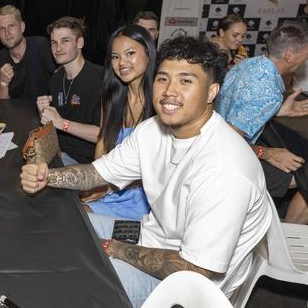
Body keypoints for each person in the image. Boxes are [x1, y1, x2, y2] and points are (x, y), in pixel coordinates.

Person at [23, 36, 272, 307]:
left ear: (212, 92)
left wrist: (116, 249)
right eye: (163, 79)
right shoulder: (153, 130)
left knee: (76, 279)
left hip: (189, 285)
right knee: (58, 225)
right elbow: (98, 173)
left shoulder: (225, 168)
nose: (169, 91)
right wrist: (47, 176)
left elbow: (198, 269)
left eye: (186, 81)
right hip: (152, 238)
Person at [216, 21, 308, 224]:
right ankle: (288, 239)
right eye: (305, 52)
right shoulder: (268, 92)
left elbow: (241, 106)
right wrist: (267, 154)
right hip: (222, 159)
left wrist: (281, 110)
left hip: (221, 134)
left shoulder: (251, 63)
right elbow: (226, 141)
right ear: (290, 56)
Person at [83, 25, 156, 221]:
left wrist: (107, 186)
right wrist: (94, 183)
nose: (122, 62)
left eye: (130, 53)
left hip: (147, 200)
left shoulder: (160, 103)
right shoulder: (111, 97)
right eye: (115, 57)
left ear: (148, 54)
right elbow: (103, 144)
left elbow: (159, 171)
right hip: (110, 190)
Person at [36, 16, 103, 165]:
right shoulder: (55, 79)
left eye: (65, 41)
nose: (58, 48)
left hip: (88, 163)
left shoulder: (100, 79)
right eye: (54, 42)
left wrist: (61, 123)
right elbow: (55, 126)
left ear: (80, 43)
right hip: (59, 154)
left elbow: (103, 135)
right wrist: (46, 114)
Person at [0, 5, 55, 100]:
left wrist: (52, 100)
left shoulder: (41, 46)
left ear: (22, 27)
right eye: (2, 29)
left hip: (46, 112)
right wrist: (3, 82)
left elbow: (63, 80)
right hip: (14, 114)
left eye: (11, 26)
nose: (7, 33)